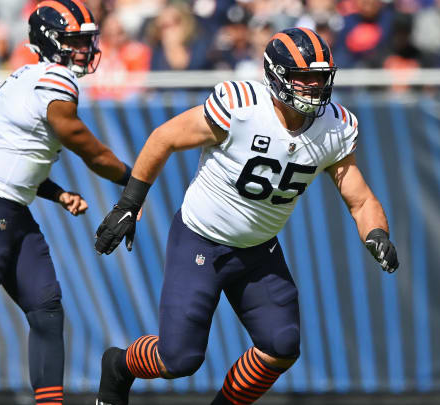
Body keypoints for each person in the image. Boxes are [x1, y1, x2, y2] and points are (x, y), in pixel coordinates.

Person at [93, 27, 399, 405]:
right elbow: (164, 137)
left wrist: (377, 233)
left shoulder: (334, 127)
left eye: (321, 77)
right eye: (304, 78)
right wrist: (129, 204)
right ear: (277, 76)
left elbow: (360, 199)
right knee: (179, 359)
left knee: (282, 346)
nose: (314, 87)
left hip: (257, 250)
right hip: (200, 240)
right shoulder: (239, 107)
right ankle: (119, 366)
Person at [0, 1, 133, 405]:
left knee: (46, 309)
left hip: (11, 208)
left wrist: (56, 193)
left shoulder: (23, 77)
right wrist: (132, 178)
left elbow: (15, 159)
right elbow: (84, 145)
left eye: (86, 41)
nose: (85, 49)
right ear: (50, 41)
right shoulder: (54, 82)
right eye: (75, 41)